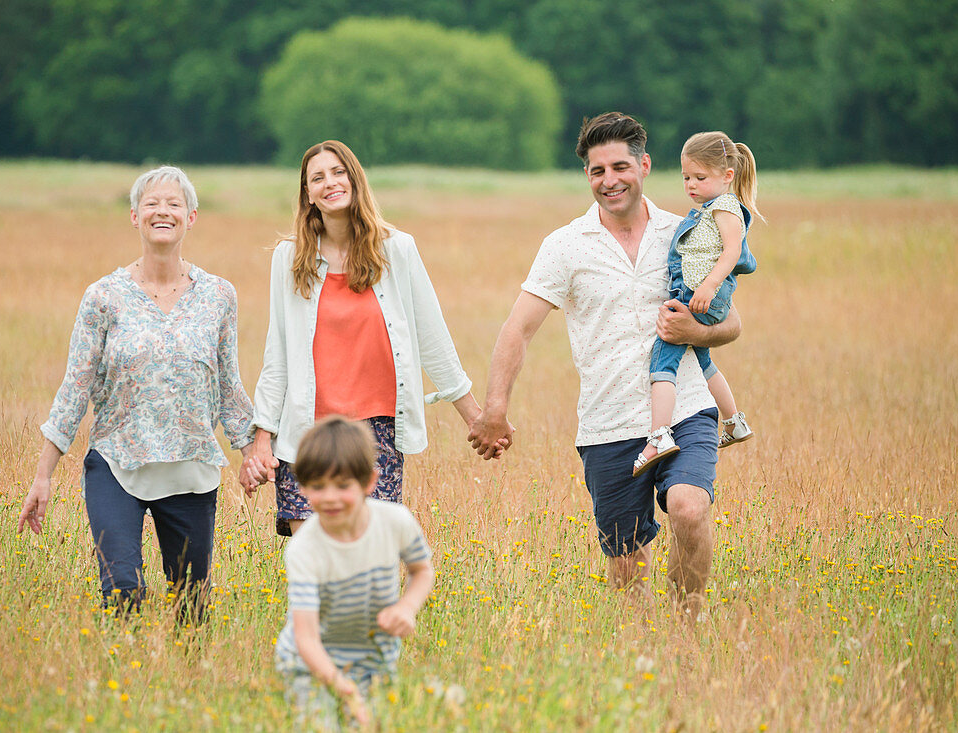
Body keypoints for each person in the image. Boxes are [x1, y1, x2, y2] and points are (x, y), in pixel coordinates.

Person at [468, 112, 741, 618]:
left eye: (620, 166)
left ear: (644, 165)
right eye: (597, 171)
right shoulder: (565, 245)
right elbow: (517, 330)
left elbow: (731, 324)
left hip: (685, 406)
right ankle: (638, 647)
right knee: (625, 565)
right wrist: (494, 409)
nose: (609, 180)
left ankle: (690, 620)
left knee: (688, 507)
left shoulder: (684, 232)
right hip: (606, 423)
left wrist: (694, 333)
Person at [17, 165, 255, 622]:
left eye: (173, 204)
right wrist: (43, 474)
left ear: (192, 217)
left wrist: (252, 451)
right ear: (134, 216)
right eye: (151, 203)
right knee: (122, 592)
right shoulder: (104, 297)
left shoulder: (219, 296)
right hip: (115, 463)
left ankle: (187, 680)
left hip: (190, 469)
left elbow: (228, 385)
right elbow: (75, 389)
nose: (162, 211)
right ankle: (122, 683)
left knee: (191, 605)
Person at [241, 139, 503, 535]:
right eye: (317, 177)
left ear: (354, 179)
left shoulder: (396, 250)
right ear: (307, 194)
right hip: (305, 431)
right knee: (313, 558)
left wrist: (475, 417)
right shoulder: (289, 258)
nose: (330, 182)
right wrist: (263, 438)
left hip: (376, 432)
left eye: (338, 172)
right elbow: (277, 353)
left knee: (369, 557)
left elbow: (432, 337)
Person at [274, 416, 434, 728]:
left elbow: (422, 570)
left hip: (374, 659)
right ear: (302, 489)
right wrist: (343, 688)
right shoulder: (304, 549)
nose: (330, 497)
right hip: (309, 663)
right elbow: (306, 638)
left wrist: (407, 607)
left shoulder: (395, 521)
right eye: (318, 487)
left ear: (369, 482)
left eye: (343, 485)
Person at [633, 131, 762, 477]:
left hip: (698, 294)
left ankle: (658, 436)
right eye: (686, 177)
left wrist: (708, 284)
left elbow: (733, 252)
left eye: (700, 178)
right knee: (702, 360)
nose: (690, 184)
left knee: (663, 360)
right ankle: (735, 422)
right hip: (697, 291)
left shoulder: (724, 207)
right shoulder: (710, 207)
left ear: (727, 176)